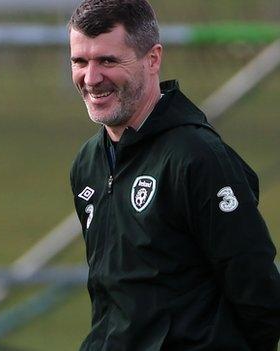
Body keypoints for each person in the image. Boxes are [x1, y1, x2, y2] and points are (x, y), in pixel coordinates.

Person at [68, 0, 280, 349]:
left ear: (152, 59)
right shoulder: (88, 162)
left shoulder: (197, 157)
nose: (91, 78)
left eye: (108, 60)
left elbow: (257, 292)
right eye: (80, 61)